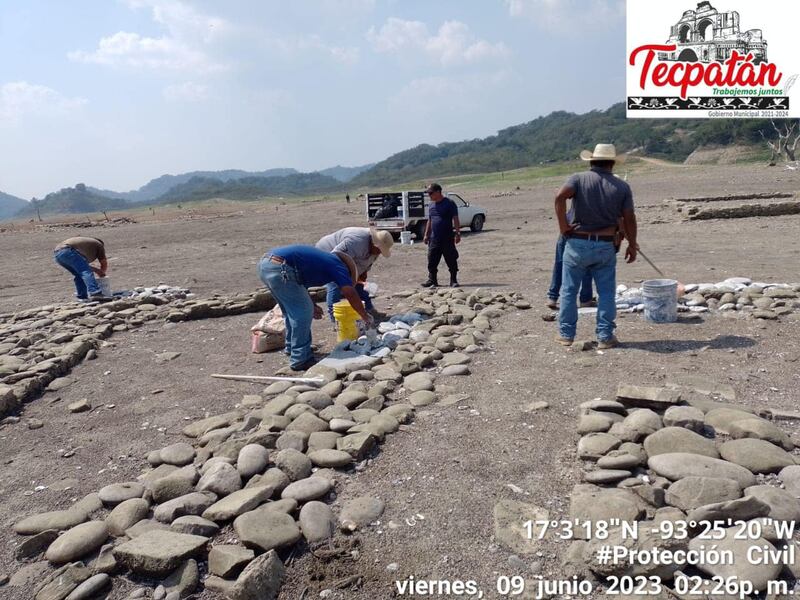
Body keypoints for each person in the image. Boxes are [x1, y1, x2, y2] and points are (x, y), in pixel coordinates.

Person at [554, 144, 637, 349]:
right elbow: (629, 218)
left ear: (591, 161)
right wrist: (632, 244)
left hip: (577, 243)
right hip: (605, 245)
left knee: (569, 290)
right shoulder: (621, 187)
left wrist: (564, 226)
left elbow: (559, 197)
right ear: (612, 163)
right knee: (606, 292)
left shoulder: (578, 179)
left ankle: (566, 335)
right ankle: (605, 336)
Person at [258, 245, 372, 371]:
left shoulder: (323, 262)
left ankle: (292, 348)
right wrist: (364, 316)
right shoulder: (338, 266)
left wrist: (312, 304)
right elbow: (349, 292)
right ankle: (300, 359)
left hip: (267, 265)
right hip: (281, 268)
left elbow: (300, 286)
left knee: (291, 312)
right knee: (301, 314)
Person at [316, 227, 393, 320]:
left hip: (347, 258)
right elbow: (335, 257)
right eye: (379, 250)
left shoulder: (375, 251)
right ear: (374, 244)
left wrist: (361, 278)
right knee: (335, 285)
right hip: (328, 253)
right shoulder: (356, 241)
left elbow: (364, 267)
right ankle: (336, 318)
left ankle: (369, 311)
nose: (379, 253)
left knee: (359, 285)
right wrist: (345, 277)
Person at [422, 183, 460, 288]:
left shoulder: (449, 203)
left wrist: (458, 233)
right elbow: (430, 220)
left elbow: (455, 218)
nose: (429, 195)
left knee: (451, 259)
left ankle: (453, 280)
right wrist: (426, 234)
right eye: (428, 194)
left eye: (431, 193)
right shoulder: (431, 205)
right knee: (432, 260)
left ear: (438, 192)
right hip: (434, 238)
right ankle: (432, 280)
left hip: (447, 237)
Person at [53, 237, 110, 301]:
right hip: (68, 250)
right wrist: (102, 273)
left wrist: (97, 270)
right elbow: (103, 262)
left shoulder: (84, 245)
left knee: (78, 275)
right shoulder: (99, 244)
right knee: (86, 272)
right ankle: (95, 293)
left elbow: (82, 266)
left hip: (57, 254)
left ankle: (82, 297)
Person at [546, 234, 594, 310]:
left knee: (560, 263)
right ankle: (585, 299)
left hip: (568, 228)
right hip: (587, 230)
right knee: (587, 264)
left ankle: (553, 297)